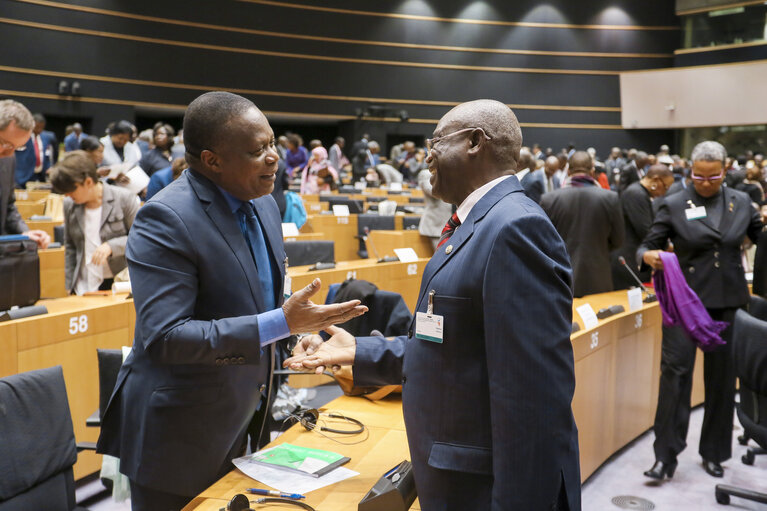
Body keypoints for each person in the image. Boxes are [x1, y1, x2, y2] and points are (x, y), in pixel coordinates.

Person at [287, 99, 581, 511]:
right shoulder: (477, 224)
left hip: (486, 488)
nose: (426, 154)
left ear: (476, 142)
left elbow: (532, 401)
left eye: (437, 141)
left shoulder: (514, 227)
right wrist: (357, 350)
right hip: (456, 476)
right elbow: (450, 345)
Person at [96, 92, 367, 511]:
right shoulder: (165, 217)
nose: (273, 157)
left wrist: (296, 337)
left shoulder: (265, 204)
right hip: (180, 435)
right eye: (257, 150)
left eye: (273, 143)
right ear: (212, 160)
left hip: (246, 418)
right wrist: (282, 325)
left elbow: (257, 302)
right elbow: (166, 337)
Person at [638, 141, 763, 480]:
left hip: (728, 304)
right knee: (674, 378)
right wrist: (647, 256)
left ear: (725, 171)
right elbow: (648, 245)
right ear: (690, 172)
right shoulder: (674, 203)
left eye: (713, 177)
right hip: (685, 304)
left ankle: (714, 453)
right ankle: (665, 456)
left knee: (722, 383)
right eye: (698, 177)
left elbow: (759, 236)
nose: (705, 183)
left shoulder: (741, 202)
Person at [49, 151, 139, 295]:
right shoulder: (69, 204)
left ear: (88, 182)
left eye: (71, 191)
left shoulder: (124, 198)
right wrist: (68, 285)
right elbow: (70, 246)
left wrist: (112, 246)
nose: (67, 195)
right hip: (82, 284)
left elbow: (140, 238)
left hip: (116, 282)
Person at [540, 151, 624, 297]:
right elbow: (618, 240)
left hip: (559, 277)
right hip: (598, 276)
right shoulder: (610, 198)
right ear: (592, 171)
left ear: (568, 171)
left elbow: (544, 243)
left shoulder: (549, 199)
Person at [611, 164, 674, 290]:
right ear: (656, 180)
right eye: (665, 187)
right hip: (629, 261)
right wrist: (667, 246)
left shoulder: (639, 193)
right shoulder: (636, 194)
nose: (664, 192)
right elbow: (646, 230)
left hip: (632, 257)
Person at [0, 99, 50, 247]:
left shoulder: (8, 159)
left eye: (17, 147)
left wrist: (24, 232)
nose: (10, 152)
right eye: (5, 144)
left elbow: (8, 206)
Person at [14, 113, 57, 187]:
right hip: (24, 176)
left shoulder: (47, 137)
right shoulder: (22, 137)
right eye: (37, 127)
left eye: (41, 127)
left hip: (41, 175)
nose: (39, 130)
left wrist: (50, 166)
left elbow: (48, 154)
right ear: (31, 125)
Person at [416, 164, 451, 251]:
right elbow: (433, 192)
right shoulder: (426, 173)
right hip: (436, 224)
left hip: (451, 222)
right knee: (442, 257)